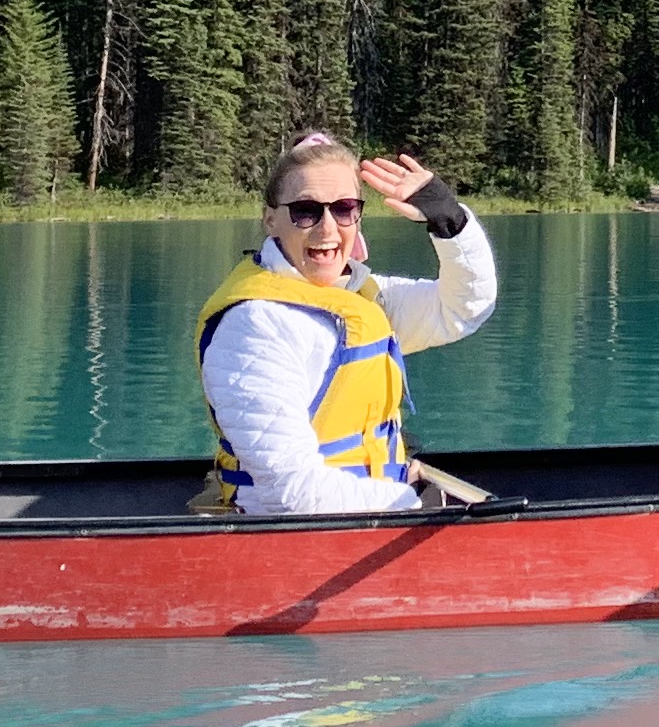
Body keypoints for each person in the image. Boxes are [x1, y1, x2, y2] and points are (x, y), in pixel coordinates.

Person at [196, 131, 499, 514]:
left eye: (344, 209)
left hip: (369, 510)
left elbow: (463, 307)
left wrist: (450, 220)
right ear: (270, 219)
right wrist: (412, 503)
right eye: (305, 210)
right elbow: (290, 493)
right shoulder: (255, 325)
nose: (327, 228)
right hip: (299, 532)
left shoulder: (360, 298)